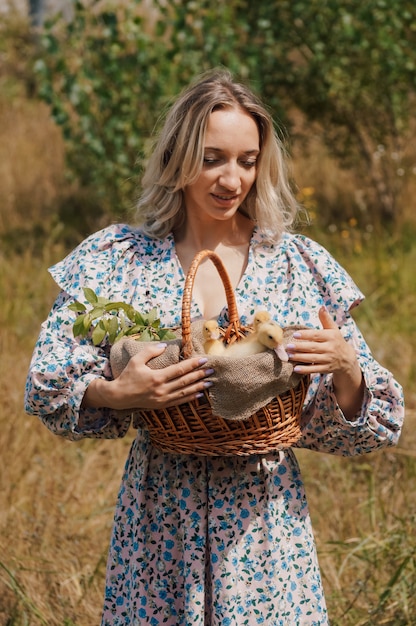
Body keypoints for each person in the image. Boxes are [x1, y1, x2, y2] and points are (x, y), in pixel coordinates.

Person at [25, 69, 404, 625]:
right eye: (212, 158)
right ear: (178, 158)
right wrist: (114, 393)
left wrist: (346, 366)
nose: (233, 179)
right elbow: (47, 385)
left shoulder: (296, 264)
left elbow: (365, 425)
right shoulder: (119, 259)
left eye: (247, 160)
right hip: (159, 519)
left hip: (264, 525)